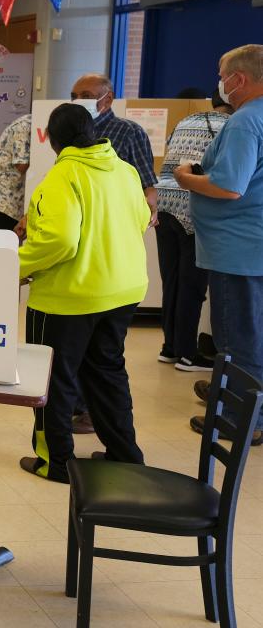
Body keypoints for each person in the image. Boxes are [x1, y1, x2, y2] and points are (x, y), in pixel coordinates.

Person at [17, 104, 151, 483]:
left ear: (53, 141)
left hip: (68, 297)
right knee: (107, 372)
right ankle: (125, 456)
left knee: (53, 379)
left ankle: (56, 463)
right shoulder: (124, 171)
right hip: (122, 291)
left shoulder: (62, 176)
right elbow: (141, 218)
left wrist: (18, 267)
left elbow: (59, 240)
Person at [177, 44, 263, 444]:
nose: (220, 82)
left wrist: (185, 177)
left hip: (238, 249)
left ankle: (241, 421)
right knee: (253, 333)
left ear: (239, 80)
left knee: (238, 339)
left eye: (222, 73)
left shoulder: (246, 121)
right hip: (253, 243)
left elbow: (229, 187)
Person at [156, 88, 233, 372]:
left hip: (164, 203)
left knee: (172, 281)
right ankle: (189, 355)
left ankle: (170, 348)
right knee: (192, 285)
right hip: (193, 206)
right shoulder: (230, 126)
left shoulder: (184, 121)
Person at [71, 74, 159, 226]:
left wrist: (149, 209)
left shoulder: (129, 132)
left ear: (108, 99)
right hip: (75, 216)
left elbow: (147, 185)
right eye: (74, 96)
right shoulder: (71, 131)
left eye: (86, 96)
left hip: (113, 220)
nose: (78, 101)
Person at [0, 114, 32, 231]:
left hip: (11, 198)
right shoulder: (25, 125)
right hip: (1, 199)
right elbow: (22, 165)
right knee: (0, 244)